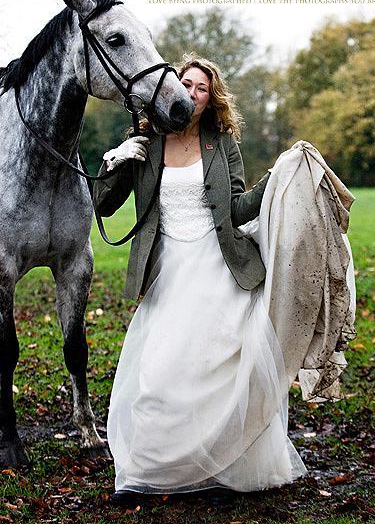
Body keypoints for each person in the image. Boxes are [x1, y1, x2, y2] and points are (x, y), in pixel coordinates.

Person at [93, 55, 307, 506]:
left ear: (212, 99)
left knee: (217, 371)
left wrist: (276, 181)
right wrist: (116, 160)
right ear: (171, 87)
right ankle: (152, 473)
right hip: (166, 269)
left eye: (201, 88)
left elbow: (238, 207)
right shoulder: (146, 139)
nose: (191, 93)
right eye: (184, 83)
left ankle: (221, 472)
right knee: (160, 372)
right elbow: (105, 206)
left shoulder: (222, 143)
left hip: (217, 266)